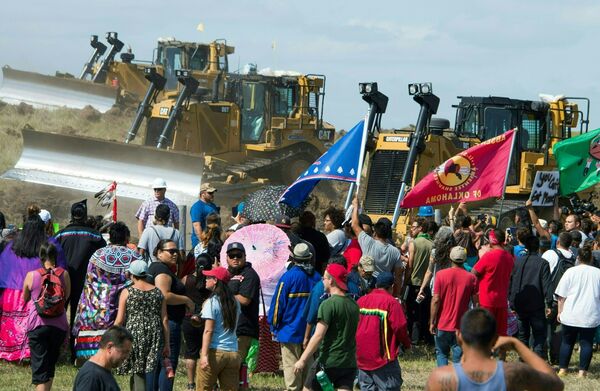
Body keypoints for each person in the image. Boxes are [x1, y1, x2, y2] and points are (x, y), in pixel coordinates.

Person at [425, 308, 564, 391]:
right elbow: (556, 385)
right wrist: (517, 344)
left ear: (458, 336)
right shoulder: (513, 373)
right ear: (495, 338)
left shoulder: (440, 377)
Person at [0, 216, 66, 362]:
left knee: (12, 323)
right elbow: (60, 267)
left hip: (11, 293)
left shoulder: (13, 245)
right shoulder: (50, 243)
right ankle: (31, 352)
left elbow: (3, 267)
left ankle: (10, 352)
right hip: (39, 291)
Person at [73, 222, 141, 362]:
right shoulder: (134, 257)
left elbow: (89, 282)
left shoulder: (98, 255)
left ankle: (88, 354)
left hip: (97, 305)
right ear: (126, 238)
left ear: (110, 237)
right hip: (121, 306)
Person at [294, 263, 360, 391]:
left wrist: (302, 360)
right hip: (349, 362)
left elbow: (318, 335)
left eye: (324, 278)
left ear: (331, 280)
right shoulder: (354, 305)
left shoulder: (328, 304)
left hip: (328, 361)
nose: (322, 281)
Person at [54, 199, 106, 359]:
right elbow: (103, 257)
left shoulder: (60, 235)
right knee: (81, 317)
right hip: (86, 283)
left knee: (59, 313)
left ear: (72, 215)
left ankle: (57, 349)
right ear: (84, 216)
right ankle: (76, 350)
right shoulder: (95, 236)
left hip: (63, 281)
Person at [268, 243, 321, 391]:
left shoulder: (288, 277)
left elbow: (278, 305)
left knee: (292, 370)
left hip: (289, 331)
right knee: (308, 372)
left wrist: (273, 325)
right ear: (309, 258)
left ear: (294, 258)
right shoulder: (318, 278)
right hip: (312, 334)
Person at [115, 259, 169, 390]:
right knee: (146, 370)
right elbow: (165, 319)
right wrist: (167, 343)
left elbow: (119, 320)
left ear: (132, 275)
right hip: (155, 335)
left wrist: (111, 337)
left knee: (138, 370)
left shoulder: (127, 292)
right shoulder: (158, 292)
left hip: (134, 334)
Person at [23, 241, 70, 391]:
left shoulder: (32, 275)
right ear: (55, 256)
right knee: (49, 367)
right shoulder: (64, 274)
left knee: (40, 370)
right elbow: (66, 298)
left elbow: (25, 298)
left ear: (40, 257)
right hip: (59, 326)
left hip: (37, 325)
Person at [148, 239, 195, 390]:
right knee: (168, 364)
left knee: (157, 364)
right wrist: (186, 300)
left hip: (161, 322)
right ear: (159, 253)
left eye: (177, 251)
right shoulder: (162, 271)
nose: (175, 254)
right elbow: (164, 296)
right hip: (169, 323)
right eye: (171, 251)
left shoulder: (157, 267)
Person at [356, 272, 411, 391]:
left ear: (376, 285)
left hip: (362, 357)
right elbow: (400, 327)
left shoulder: (361, 301)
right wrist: (407, 345)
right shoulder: (391, 303)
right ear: (391, 287)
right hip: (382, 358)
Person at [555, 245, 600, 378]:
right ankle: (582, 372)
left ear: (578, 258)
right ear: (591, 258)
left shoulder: (570, 272)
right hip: (590, 314)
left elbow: (561, 296)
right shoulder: (598, 273)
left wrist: (559, 312)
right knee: (586, 343)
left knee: (567, 342)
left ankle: (563, 369)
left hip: (571, 314)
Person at [430, 246, 478, 366]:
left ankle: (443, 382)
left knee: (441, 353)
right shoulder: (471, 278)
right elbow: (476, 303)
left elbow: (436, 299)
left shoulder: (441, 275)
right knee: (458, 357)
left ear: (450, 258)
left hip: (442, 323)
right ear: (464, 259)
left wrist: (432, 321)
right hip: (461, 325)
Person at [197, 266, 241, 391]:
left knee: (204, 388)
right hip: (233, 353)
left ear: (215, 280)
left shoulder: (212, 302)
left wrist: (204, 355)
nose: (205, 279)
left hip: (215, 352)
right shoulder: (235, 302)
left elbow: (208, 330)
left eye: (208, 277)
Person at [508, 235, 552, 358]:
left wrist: (511, 301)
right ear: (538, 247)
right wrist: (549, 303)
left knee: (523, 334)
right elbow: (546, 285)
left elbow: (512, 282)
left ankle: (523, 360)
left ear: (525, 247)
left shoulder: (518, 262)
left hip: (520, 302)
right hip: (536, 304)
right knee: (539, 334)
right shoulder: (543, 263)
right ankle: (536, 360)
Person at [225, 242, 260, 380]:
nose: (235, 258)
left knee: (236, 365)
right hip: (228, 327)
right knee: (229, 365)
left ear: (245, 256)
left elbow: (245, 299)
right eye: (231, 255)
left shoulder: (250, 275)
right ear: (227, 257)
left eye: (238, 255)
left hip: (243, 327)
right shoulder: (228, 273)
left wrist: (224, 295)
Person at [472, 228, 514, 337]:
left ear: (491, 240)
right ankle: (499, 354)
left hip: (487, 300)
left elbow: (473, 273)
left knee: (485, 334)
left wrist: (481, 256)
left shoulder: (488, 256)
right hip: (502, 301)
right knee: (500, 335)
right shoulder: (510, 257)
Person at [351, 197, 402, 286]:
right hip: (384, 286)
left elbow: (354, 225)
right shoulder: (395, 252)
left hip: (366, 283)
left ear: (375, 232)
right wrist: (397, 294)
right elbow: (398, 276)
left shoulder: (369, 243)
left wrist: (355, 207)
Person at [541, 231, 575, 364]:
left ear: (558, 242)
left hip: (550, 297)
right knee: (559, 330)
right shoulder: (574, 257)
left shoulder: (550, 254)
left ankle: (542, 357)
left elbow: (542, 273)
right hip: (565, 299)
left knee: (543, 328)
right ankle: (556, 357)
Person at [181, 254, 212, 390]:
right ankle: (210, 382)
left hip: (189, 319)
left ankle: (190, 383)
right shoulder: (211, 281)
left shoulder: (186, 279)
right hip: (207, 319)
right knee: (208, 352)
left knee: (190, 352)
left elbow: (181, 295)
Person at [73, 325, 134, 391]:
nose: (126, 357)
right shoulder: (91, 376)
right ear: (110, 347)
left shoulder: (104, 370)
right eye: (124, 351)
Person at [406, 217, 434, 345]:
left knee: (413, 312)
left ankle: (414, 339)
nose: (411, 229)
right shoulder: (432, 244)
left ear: (421, 228)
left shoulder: (414, 243)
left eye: (414, 227)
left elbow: (410, 265)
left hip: (414, 283)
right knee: (424, 312)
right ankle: (425, 338)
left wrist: (406, 280)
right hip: (427, 284)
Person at [418, 226, 455, 301]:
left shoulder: (434, 252)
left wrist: (422, 287)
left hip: (436, 285)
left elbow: (429, 271)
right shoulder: (454, 252)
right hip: (450, 286)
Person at [190, 183, 220, 249]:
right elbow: (197, 225)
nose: (212, 195)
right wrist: (203, 242)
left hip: (214, 241)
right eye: (210, 193)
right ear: (203, 194)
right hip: (201, 242)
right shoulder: (197, 207)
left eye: (213, 193)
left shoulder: (213, 205)